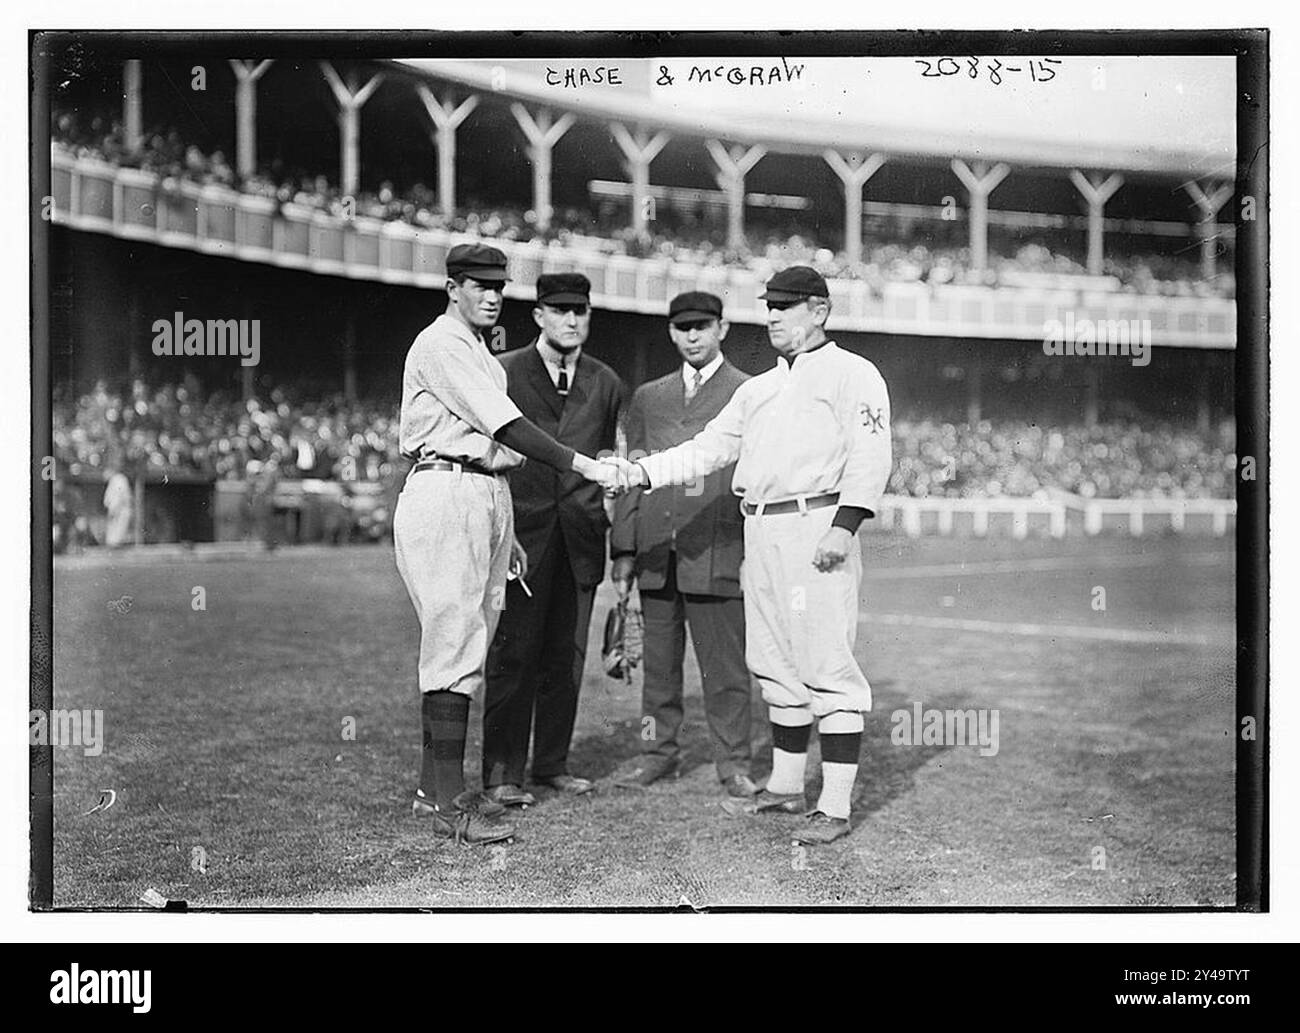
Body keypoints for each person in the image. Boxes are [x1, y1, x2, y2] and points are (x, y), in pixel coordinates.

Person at [607, 266, 892, 845]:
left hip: (817, 523)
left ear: (820, 311)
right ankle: (787, 788)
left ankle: (834, 806)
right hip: (759, 530)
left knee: (827, 666)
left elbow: (871, 454)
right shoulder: (757, 388)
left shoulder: (852, 373)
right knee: (776, 663)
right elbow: (706, 449)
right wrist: (639, 471)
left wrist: (846, 524)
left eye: (787, 307)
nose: (775, 317)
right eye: (770, 307)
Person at [392, 244, 621, 846]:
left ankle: (429, 793)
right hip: (446, 486)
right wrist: (581, 465)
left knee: (466, 638)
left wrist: (509, 528)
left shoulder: (481, 354)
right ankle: (447, 804)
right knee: (455, 642)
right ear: (452, 288)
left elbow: (501, 451)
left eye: (499, 286)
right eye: (478, 285)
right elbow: (507, 428)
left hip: (484, 492)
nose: (492, 295)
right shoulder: (442, 343)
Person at [481, 273, 627, 806]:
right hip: (523, 535)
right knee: (515, 654)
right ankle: (502, 774)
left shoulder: (605, 381)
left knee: (565, 659)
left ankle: (551, 765)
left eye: (579, 311)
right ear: (538, 315)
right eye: (559, 310)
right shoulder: (503, 371)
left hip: (582, 538)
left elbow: (607, 455)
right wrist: (504, 528)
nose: (570, 320)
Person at [609, 291, 756, 799]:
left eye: (702, 325)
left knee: (725, 671)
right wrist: (623, 548)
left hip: (717, 549)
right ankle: (656, 754)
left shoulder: (748, 391)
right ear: (670, 331)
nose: (692, 335)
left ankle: (734, 764)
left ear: (722, 328)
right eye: (681, 327)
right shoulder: (650, 396)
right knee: (658, 671)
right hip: (655, 550)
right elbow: (632, 470)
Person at [102, 461, 133, 547]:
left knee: (116, 534)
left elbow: (118, 498)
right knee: (113, 534)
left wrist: (114, 510)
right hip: (116, 509)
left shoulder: (119, 479)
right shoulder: (113, 480)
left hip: (119, 510)